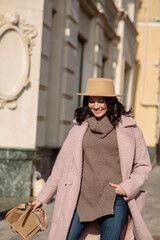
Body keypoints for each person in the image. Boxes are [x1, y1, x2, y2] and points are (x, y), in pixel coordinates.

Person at [32, 78, 153, 240]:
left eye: (101, 101)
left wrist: (127, 187)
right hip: (79, 198)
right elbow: (61, 166)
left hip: (114, 199)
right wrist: (42, 198)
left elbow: (143, 165)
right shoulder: (79, 129)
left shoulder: (129, 128)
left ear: (110, 102)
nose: (96, 106)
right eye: (91, 101)